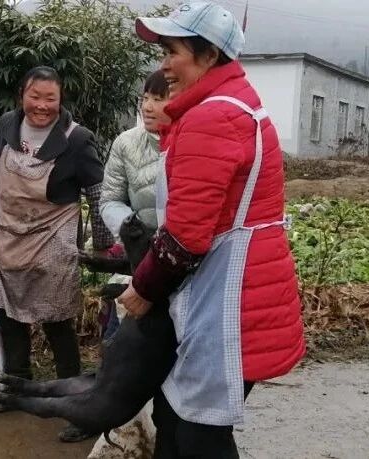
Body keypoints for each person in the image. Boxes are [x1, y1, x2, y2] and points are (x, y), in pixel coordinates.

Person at [117, 3, 306, 457]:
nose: (164, 64)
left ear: (209, 55)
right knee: (176, 417)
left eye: (173, 51)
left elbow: (185, 238)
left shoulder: (212, 118)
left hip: (230, 300)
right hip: (235, 289)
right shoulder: (231, 105)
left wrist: (143, 288)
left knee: (198, 432)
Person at [0, 65, 114, 443]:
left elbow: (97, 191)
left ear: (60, 99)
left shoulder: (77, 139)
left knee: (56, 319)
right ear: (22, 95)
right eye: (35, 96)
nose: (42, 105)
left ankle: (75, 399)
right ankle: (15, 389)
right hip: (8, 233)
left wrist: (102, 242)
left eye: (50, 98)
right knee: (8, 315)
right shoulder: (7, 125)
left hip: (53, 237)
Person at [96, 69, 171, 341]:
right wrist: (132, 229)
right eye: (145, 98)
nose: (147, 107)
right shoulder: (126, 143)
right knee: (127, 340)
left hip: (182, 258)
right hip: (142, 256)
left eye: (159, 99)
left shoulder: (194, 143)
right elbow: (110, 199)